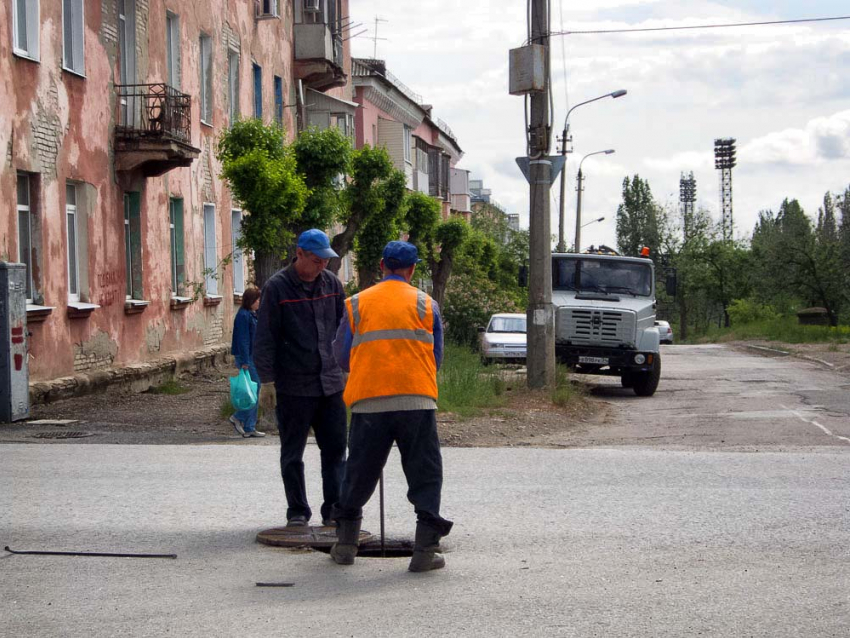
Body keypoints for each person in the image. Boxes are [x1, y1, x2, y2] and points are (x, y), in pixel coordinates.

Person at [330, 240, 453, 572]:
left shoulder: (356, 303)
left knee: (358, 473)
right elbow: (436, 358)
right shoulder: (427, 305)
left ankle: (345, 544)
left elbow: (341, 357)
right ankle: (425, 551)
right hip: (417, 400)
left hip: (369, 402)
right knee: (425, 474)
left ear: (382, 264)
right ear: (412, 270)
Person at [254, 229, 347, 528]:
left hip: (331, 384)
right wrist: (266, 381)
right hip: (294, 386)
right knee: (292, 453)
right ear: (300, 254)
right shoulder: (277, 288)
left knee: (334, 451)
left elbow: (344, 331)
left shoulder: (332, 285)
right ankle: (297, 511)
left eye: (326, 260)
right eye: (317, 260)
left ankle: (333, 509)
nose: (323, 265)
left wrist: (349, 369)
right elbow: (265, 337)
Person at [229, 286, 265, 438]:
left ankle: (250, 426)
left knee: (254, 389)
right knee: (252, 391)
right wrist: (244, 361)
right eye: (257, 300)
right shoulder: (243, 316)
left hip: (252, 356)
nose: (259, 303)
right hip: (247, 358)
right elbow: (243, 339)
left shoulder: (252, 314)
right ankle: (238, 417)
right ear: (250, 301)